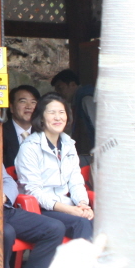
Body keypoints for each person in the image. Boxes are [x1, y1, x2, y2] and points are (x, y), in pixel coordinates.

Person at [13, 94, 94, 242]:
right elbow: (34, 192)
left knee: (103, 221)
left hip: (68, 205)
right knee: (82, 223)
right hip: (41, 210)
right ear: (41, 118)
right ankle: (83, 266)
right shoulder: (30, 147)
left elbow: (76, 181)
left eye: (61, 112)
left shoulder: (69, 145)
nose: (58, 117)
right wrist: (71, 210)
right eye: (52, 112)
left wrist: (82, 204)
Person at [1, 157, 64, 268]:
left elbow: (8, 181)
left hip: (2, 209)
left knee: (54, 228)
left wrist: (3, 196)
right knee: (6, 233)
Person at [51, 70, 97, 159]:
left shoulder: (87, 99)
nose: (59, 93)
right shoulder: (77, 102)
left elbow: (99, 127)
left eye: (60, 88)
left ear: (72, 85)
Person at [2, 85, 40, 169]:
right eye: (23, 101)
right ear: (11, 107)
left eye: (33, 102)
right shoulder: (0, 133)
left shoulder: (43, 133)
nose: (29, 106)